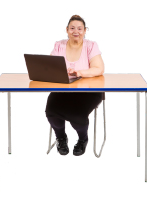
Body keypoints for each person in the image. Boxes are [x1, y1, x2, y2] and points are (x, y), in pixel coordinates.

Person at [45, 15, 105, 156]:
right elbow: (49, 66)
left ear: (84, 31)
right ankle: (61, 138)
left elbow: (99, 69)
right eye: (72, 28)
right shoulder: (59, 45)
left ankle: (83, 139)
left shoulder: (91, 46)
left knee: (77, 115)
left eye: (79, 28)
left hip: (89, 91)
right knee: (51, 112)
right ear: (67, 30)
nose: (75, 31)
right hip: (63, 90)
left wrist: (79, 72)